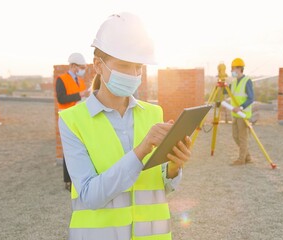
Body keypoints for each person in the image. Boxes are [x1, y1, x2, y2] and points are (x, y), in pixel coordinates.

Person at [58, 12, 191, 239]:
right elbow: (90, 196)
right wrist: (141, 150)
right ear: (98, 65)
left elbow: (161, 187)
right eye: (124, 65)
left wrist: (174, 168)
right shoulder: (72, 121)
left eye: (138, 66)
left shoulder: (153, 113)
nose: (133, 74)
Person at [55, 52, 90, 191]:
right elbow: (61, 99)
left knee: (79, 148)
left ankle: (78, 177)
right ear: (73, 66)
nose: (82, 70)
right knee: (68, 149)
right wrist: (80, 94)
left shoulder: (80, 81)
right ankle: (67, 181)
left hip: (78, 117)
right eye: (80, 67)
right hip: (66, 117)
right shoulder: (61, 79)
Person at [229, 58, 255, 166]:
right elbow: (227, 92)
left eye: (233, 68)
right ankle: (247, 157)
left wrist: (241, 107)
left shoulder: (247, 81)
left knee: (243, 138)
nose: (232, 71)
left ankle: (241, 159)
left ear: (239, 68)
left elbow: (251, 98)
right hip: (235, 114)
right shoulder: (234, 82)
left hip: (243, 114)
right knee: (235, 136)